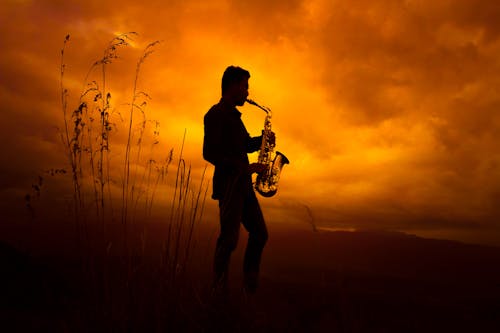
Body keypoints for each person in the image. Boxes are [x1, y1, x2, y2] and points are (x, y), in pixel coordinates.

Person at [203, 66, 272, 294]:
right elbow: (210, 153)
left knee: (260, 233)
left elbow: (243, 145)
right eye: (244, 86)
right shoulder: (215, 114)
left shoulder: (234, 116)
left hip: (242, 185)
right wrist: (247, 168)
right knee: (229, 240)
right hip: (230, 186)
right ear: (232, 85)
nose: (247, 92)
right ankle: (217, 289)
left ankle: (248, 287)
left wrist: (263, 140)